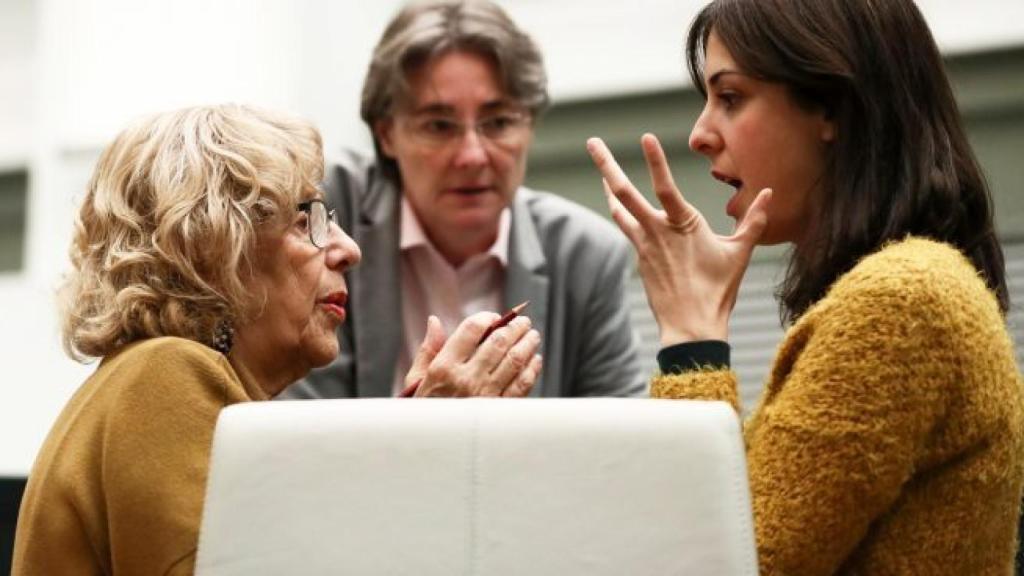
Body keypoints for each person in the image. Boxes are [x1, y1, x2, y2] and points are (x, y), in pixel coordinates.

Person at [587, 0, 1024, 573]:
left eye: (731, 98)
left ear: (831, 105)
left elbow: (721, 561)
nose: (698, 134)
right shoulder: (910, 287)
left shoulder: (902, 300)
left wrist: (692, 338)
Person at [11, 104, 540, 574]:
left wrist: (412, 430)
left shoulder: (160, 382)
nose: (348, 249)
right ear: (215, 245)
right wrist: (427, 447)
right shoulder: (164, 375)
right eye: (306, 218)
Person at [281, 0, 646, 400]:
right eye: (439, 126)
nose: (473, 155)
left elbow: (617, 448)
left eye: (499, 122)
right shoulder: (327, 221)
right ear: (386, 135)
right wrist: (426, 427)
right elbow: (304, 441)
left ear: (529, 126)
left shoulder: (585, 256)